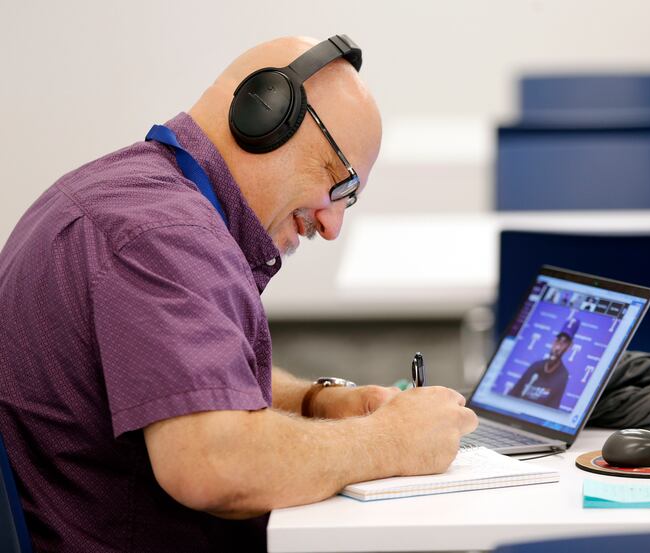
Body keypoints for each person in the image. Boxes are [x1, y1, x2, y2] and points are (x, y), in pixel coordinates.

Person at [0, 36, 478, 552]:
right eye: (338, 183)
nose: (333, 224)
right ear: (267, 115)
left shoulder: (125, 193)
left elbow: (180, 375)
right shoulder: (165, 234)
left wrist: (318, 401)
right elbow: (214, 465)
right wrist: (394, 440)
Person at [508, 318, 580, 409]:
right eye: (558, 341)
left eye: (564, 343)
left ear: (569, 347)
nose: (558, 347)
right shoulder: (535, 366)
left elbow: (552, 409)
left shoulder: (563, 375)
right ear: (553, 341)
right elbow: (513, 393)